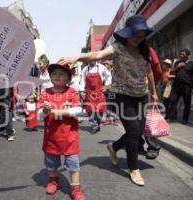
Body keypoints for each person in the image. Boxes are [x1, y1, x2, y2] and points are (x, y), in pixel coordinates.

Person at [58, 15, 158, 186]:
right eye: (136, 36)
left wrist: (153, 93)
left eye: (142, 36)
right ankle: (133, 168)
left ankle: (113, 147)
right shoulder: (117, 48)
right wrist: (77, 57)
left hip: (141, 96)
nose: (139, 39)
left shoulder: (145, 50)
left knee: (138, 131)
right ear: (128, 33)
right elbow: (97, 54)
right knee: (134, 130)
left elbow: (148, 72)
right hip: (121, 95)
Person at [38, 63, 85, 200]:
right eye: (54, 74)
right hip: (51, 137)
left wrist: (62, 112)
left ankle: (75, 188)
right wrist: (45, 110)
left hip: (70, 136)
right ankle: (53, 180)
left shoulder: (71, 92)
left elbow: (78, 110)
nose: (57, 76)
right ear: (50, 77)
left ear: (68, 78)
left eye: (61, 74)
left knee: (73, 163)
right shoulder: (45, 93)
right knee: (51, 162)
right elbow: (39, 116)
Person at [167, 49, 193, 124]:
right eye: (180, 54)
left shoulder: (192, 64)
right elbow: (171, 71)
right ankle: (172, 117)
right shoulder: (177, 63)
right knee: (173, 101)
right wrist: (177, 67)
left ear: (187, 55)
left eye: (183, 54)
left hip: (187, 87)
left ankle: (185, 119)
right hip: (176, 86)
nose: (181, 55)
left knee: (187, 103)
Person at [79, 61, 110, 133]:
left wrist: (106, 86)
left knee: (100, 109)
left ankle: (98, 123)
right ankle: (94, 124)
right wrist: (81, 90)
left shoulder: (102, 67)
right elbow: (83, 80)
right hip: (89, 92)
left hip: (99, 92)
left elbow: (108, 76)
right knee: (90, 110)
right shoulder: (85, 69)